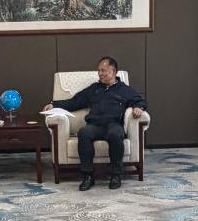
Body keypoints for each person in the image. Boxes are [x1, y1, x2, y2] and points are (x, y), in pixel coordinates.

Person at [42, 56, 148, 191]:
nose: (100, 74)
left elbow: (140, 101)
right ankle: (88, 176)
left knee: (116, 133)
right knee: (84, 133)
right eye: (99, 71)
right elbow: (74, 102)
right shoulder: (94, 88)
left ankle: (116, 175)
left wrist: (138, 107)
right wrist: (54, 104)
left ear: (113, 72)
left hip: (114, 124)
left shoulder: (125, 90)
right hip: (95, 125)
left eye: (103, 71)